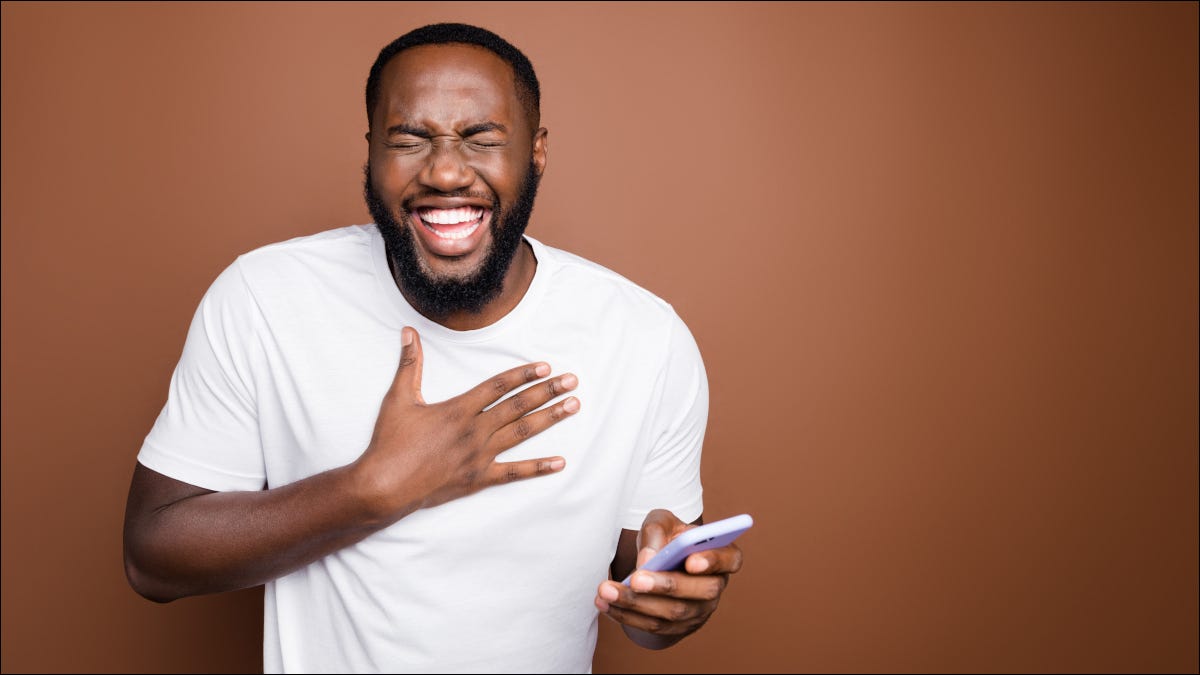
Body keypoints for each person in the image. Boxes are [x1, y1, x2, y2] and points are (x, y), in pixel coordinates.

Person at [122, 22, 744, 673]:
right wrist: (371, 489)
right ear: (371, 153)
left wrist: (673, 602)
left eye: (482, 138)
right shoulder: (263, 298)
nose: (445, 170)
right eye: (410, 138)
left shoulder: (645, 338)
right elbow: (152, 556)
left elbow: (641, 604)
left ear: (536, 153)